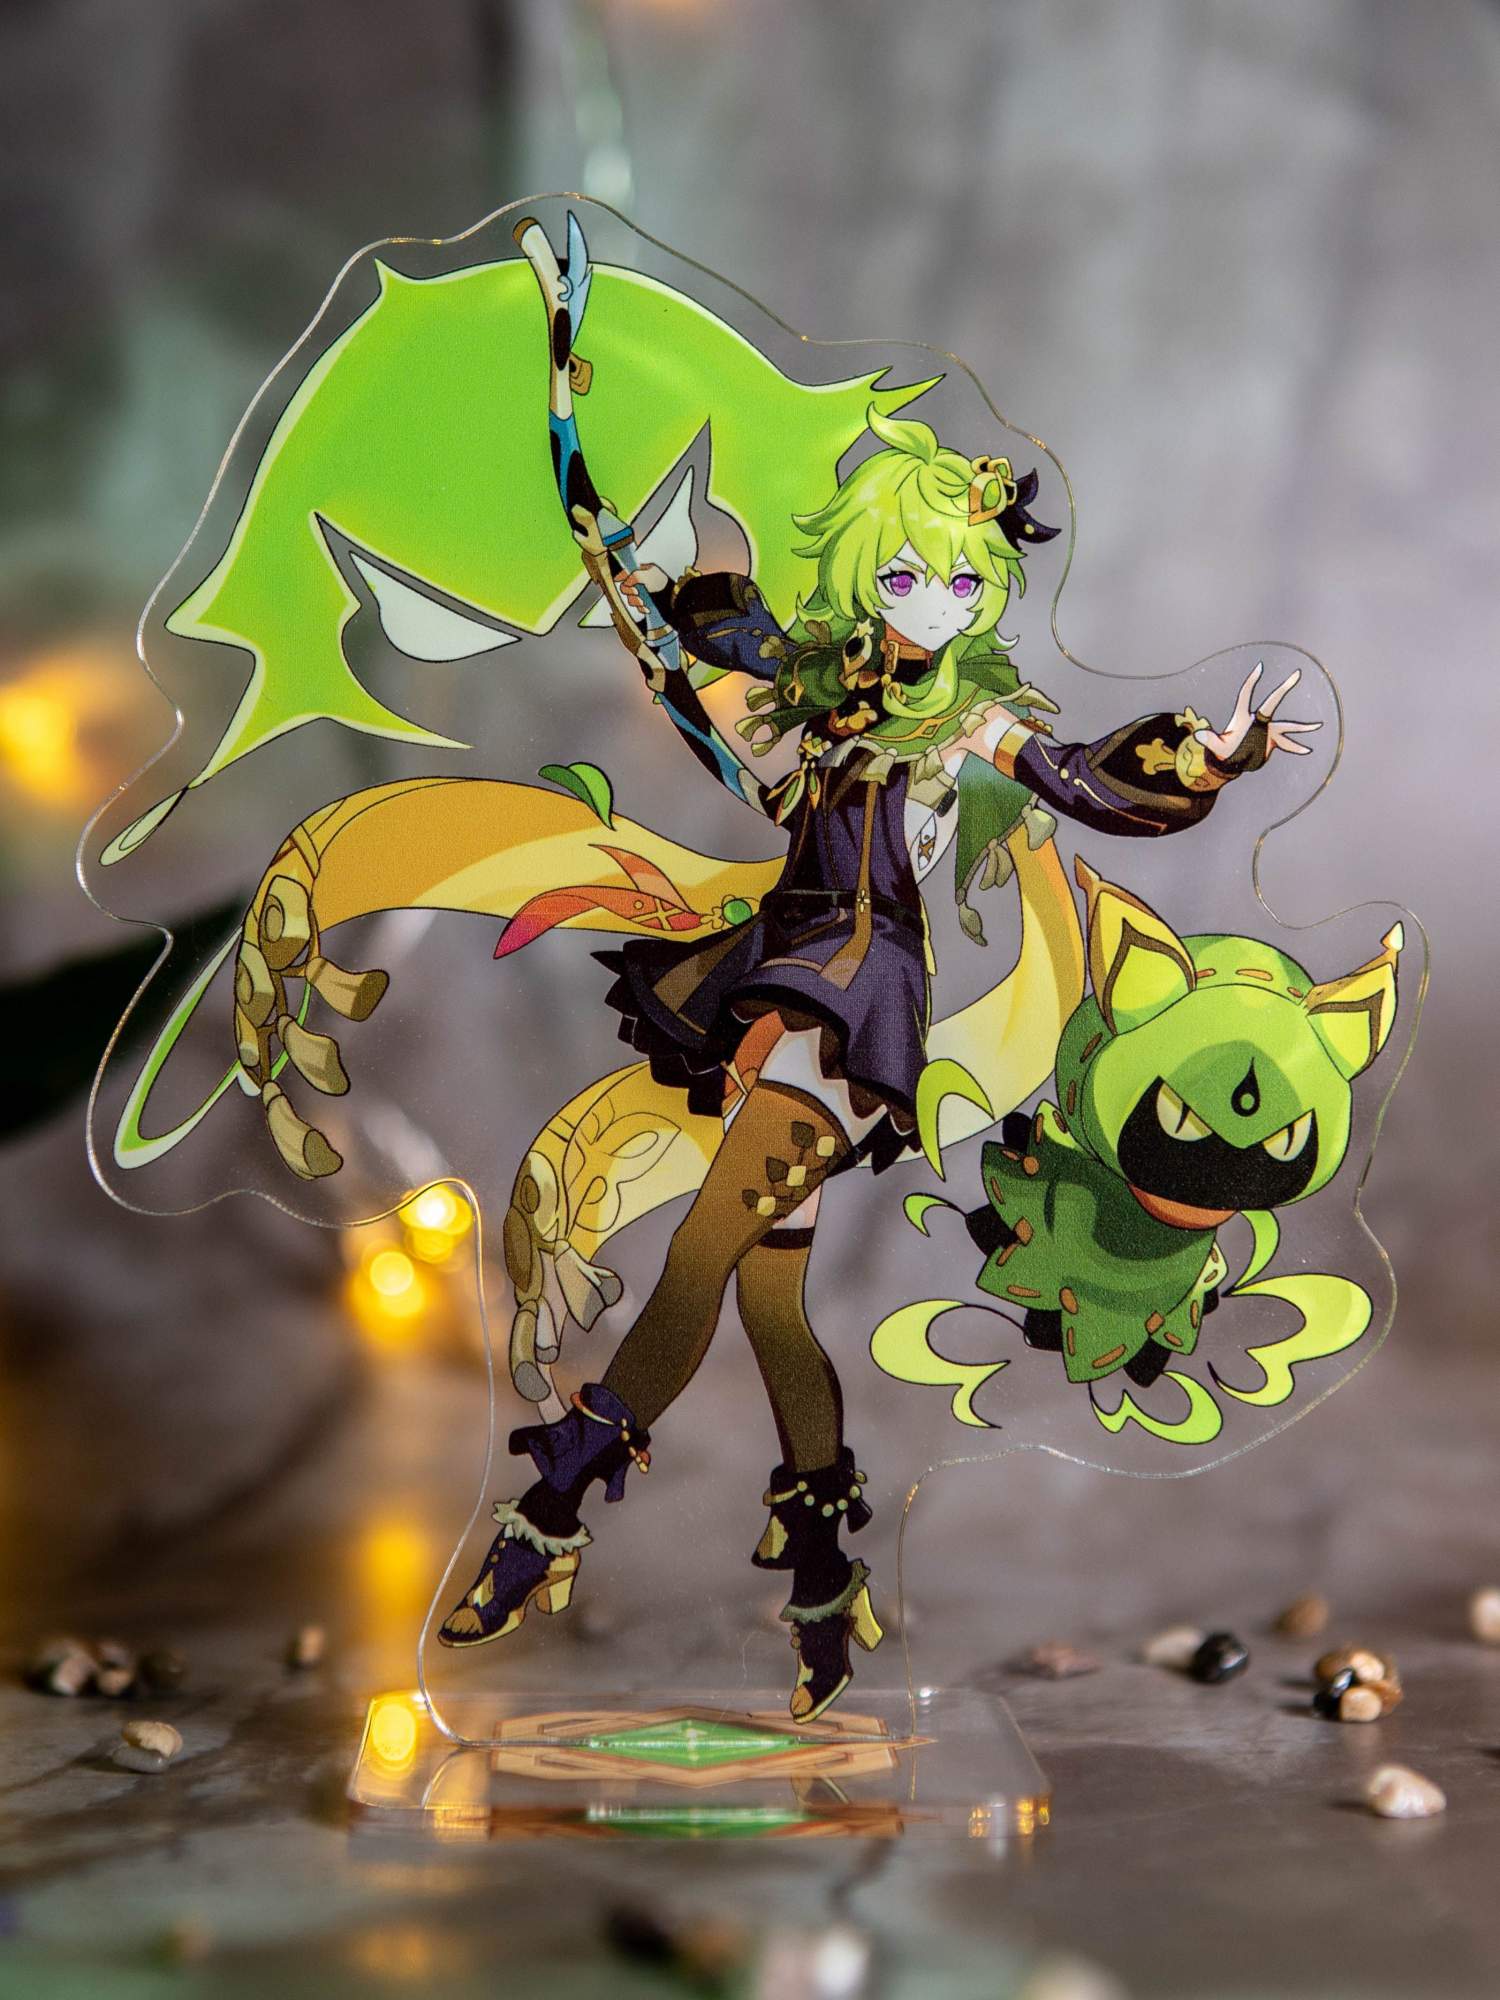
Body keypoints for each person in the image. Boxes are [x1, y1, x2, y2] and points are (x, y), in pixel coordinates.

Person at [440, 409, 1318, 1721]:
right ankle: (820, 1583)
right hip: (773, 974)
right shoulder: (817, 681)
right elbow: (698, 615)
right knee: (772, 1303)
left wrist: (1209, 756)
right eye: (906, 574)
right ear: (864, 574)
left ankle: (546, 1517)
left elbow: (1084, 779)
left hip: (853, 1009)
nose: (934, 603)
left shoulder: (970, 721)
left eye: (964, 581)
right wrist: (607, 525)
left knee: (698, 1253)